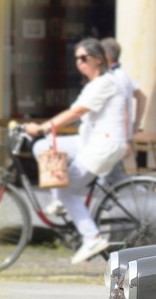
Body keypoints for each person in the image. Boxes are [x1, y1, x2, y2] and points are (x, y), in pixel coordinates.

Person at [24, 38, 128, 263]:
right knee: (43, 146)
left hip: (103, 145)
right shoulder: (94, 84)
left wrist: (42, 126)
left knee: (65, 189)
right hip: (89, 140)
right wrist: (43, 133)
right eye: (76, 59)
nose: (79, 63)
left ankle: (91, 238)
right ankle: (61, 201)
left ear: (98, 60)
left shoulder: (105, 82)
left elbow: (76, 112)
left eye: (84, 58)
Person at [99, 37, 146, 140]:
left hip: (114, 135)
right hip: (120, 134)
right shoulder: (123, 75)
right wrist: (136, 124)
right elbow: (142, 98)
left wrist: (134, 125)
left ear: (106, 55)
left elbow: (125, 107)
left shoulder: (113, 77)